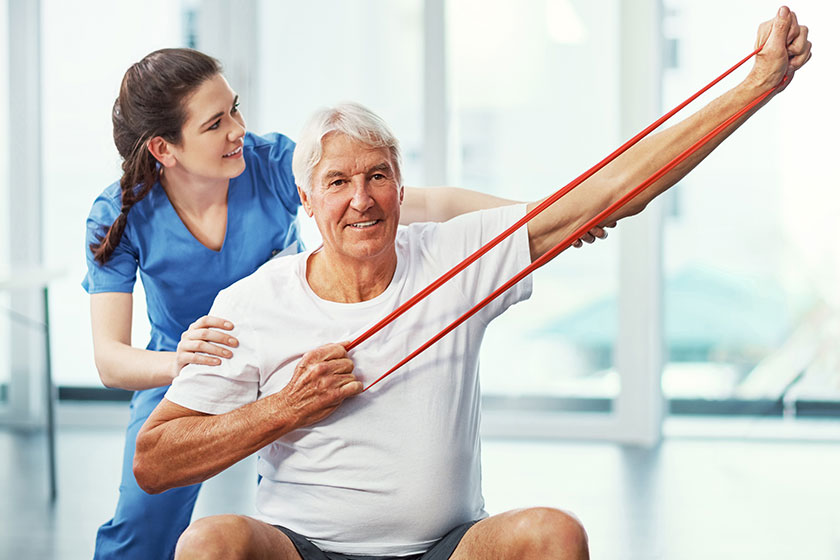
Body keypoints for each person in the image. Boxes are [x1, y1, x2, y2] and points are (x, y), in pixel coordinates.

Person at [133, 7, 809, 559]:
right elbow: (154, 461)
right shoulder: (254, 304)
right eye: (337, 183)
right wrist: (283, 409)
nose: (361, 200)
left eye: (376, 176)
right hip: (302, 548)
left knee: (554, 534)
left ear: (402, 186)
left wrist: (757, 84)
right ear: (306, 200)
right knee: (212, 540)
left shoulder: (456, 256)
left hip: (446, 549)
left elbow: (616, 190)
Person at [83, 48, 611, 560]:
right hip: (191, 360)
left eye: (235, 108)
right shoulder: (119, 212)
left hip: (290, 341)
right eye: (215, 122)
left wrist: (549, 220)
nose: (238, 129)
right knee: (141, 530)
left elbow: (419, 200)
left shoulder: (266, 162)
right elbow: (110, 360)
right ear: (163, 149)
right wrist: (185, 361)